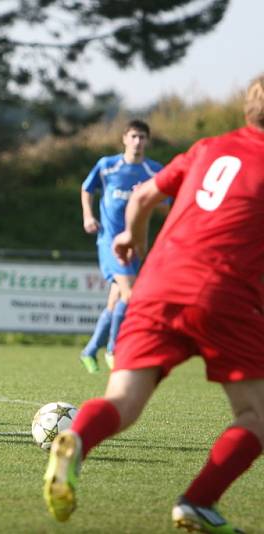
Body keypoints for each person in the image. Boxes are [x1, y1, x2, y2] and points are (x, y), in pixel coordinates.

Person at [43, 75, 264, 533]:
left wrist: (133, 238)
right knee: (258, 416)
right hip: (222, 292)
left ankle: (77, 441)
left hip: (157, 283)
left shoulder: (207, 147)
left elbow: (144, 196)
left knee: (122, 400)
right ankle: (199, 501)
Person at [79, 120, 163, 373]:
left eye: (142, 137)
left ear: (148, 141)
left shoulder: (154, 171)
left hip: (136, 243)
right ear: (125, 138)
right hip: (110, 242)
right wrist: (87, 216)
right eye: (134, 136)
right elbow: (86, 189)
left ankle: (90, 349)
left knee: (115, 299)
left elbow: (166, 206)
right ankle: (114, 350)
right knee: (130, 295)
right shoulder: (107, 166)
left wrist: (146, 195)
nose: (138, 142)